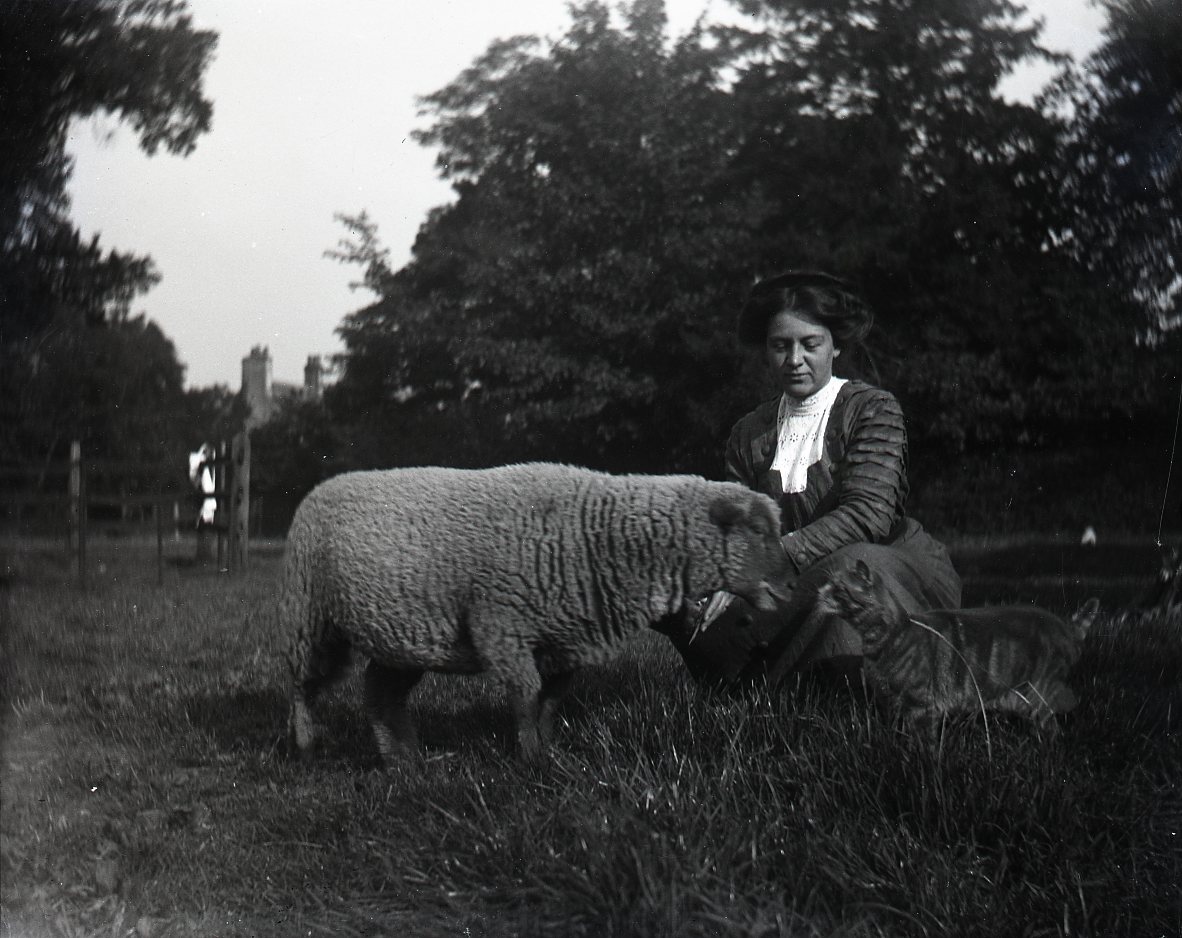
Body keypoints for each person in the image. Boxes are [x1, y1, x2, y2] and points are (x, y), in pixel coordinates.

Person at [662, 271, 962, 688]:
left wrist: (771, 558)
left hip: (888, 569)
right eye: (780, 346)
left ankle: (769, 676)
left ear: (835, 345)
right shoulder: (748, 434)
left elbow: (868, 516)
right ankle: (762, 674)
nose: (794, 359)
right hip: (791, 582)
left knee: (848, 569)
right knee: (675, 586)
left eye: (810, 344)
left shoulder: (872, 409)